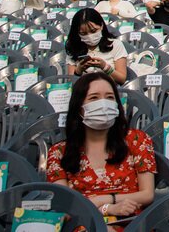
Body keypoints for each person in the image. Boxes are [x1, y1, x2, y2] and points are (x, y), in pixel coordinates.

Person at [45, 72, 156, 226]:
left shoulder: (137, 140)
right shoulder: (58, 152)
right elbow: (65, 207)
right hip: (82, 224)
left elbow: (147, 194)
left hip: (129, 221)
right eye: (94, 98)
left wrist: (101, 199)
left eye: (110, 97)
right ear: (79, 107)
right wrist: (106, 209)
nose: (103, 104)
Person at [66, 8, 130, 85]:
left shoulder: (115, 45)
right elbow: (71, 83)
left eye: (93, 31)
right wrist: (79, 70)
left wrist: (104, 67)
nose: (89, 36)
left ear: (101, 26)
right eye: (83, 33)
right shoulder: (73, 48)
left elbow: (121, 79)